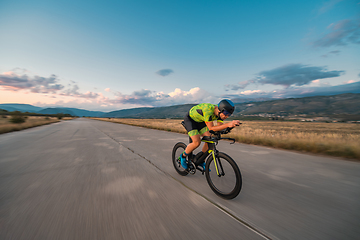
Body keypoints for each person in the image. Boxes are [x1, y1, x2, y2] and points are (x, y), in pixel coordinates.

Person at [180, 99, 241, 170]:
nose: (226, 116)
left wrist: (230, 127)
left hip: (201, 121)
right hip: (191, 120)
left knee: (209, 139)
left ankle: (201, 160)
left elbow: (219, 126)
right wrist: (228, 124)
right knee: (196, 142)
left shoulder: (221, 114)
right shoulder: (208, 110)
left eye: (229, 114)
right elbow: (211, 128)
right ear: (220, 110)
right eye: (226, 113)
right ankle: (183, 156)